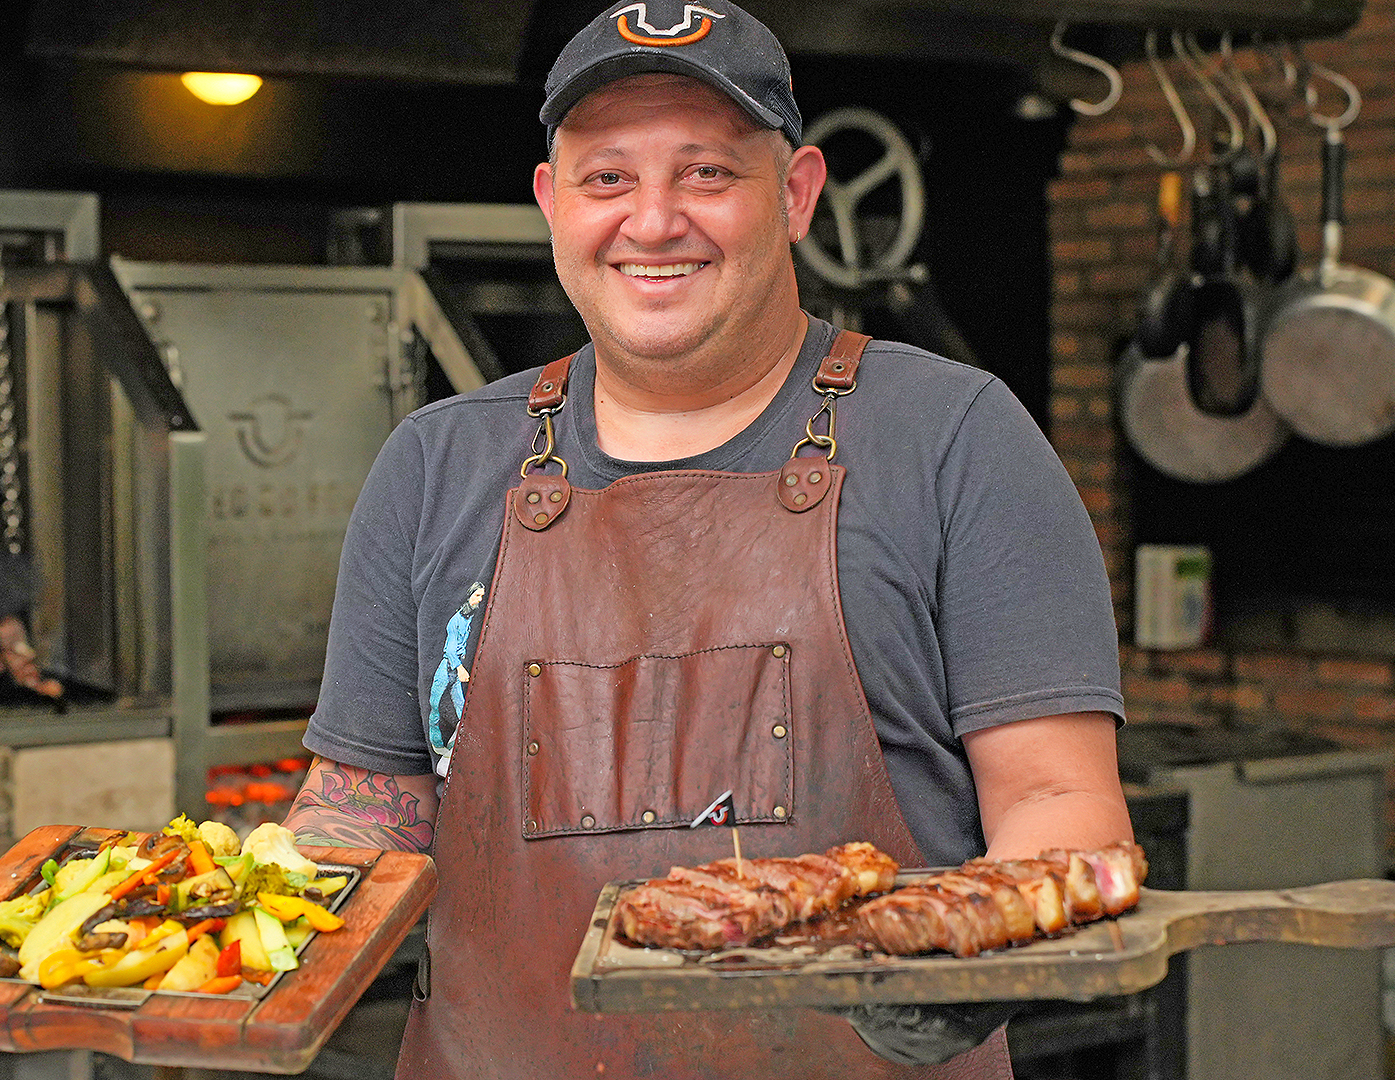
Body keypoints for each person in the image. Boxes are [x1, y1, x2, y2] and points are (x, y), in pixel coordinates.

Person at [285, 2, 1132, 1076]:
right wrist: (206, 932)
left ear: (797, 195)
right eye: (607, 178)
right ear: (552, 203)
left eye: (707, 174)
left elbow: (1059, 802)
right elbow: (366, 815)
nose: (652, 221)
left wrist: (967, 969)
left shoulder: (955, 438)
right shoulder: (435, 464)